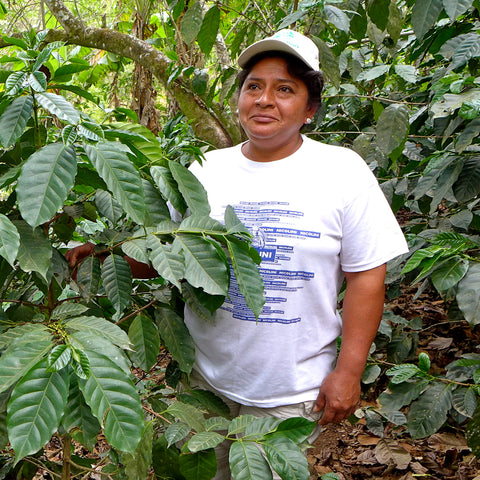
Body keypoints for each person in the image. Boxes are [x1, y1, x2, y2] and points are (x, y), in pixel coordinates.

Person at [67, 29, 409, 479]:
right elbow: (168, 255)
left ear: (309, 109)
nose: (265, 100)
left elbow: (367, 275)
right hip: (204, 378)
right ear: (240, 98)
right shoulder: (206, 170)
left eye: (284, 89)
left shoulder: (342, 171)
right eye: (254, 86)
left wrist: (348, 372)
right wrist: (100, 255)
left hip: (292, 385)